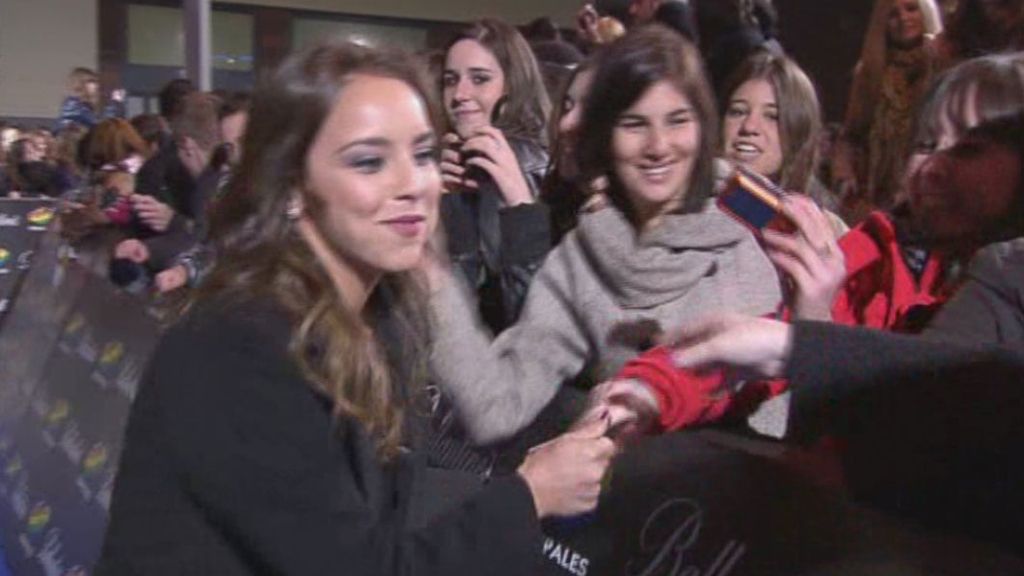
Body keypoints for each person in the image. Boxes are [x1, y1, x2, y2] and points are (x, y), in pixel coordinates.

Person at [96, 40, 615, 575]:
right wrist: (529, 497)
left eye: (423, 154)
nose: (413, 184)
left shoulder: (380, 313)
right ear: (293, 186)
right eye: (370, 161)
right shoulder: (240, 345)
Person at [428, 25, 783, 446]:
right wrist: (428, 276)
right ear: (605, 135)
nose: (658, 146)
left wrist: (816, 306)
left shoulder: (753, 210)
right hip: (664, 497)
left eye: (677, 120)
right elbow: (497, 405)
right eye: (634, 124)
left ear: (703, 126)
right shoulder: (582, 262)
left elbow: (820, 369)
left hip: (784, 485)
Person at [438, 19, 554, 334]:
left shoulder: (540, 169)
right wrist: (450, 205)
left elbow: (537, 324)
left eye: (479, 79)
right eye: (451, 80)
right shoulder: (448, 166)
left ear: (513, 87)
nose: (460, 94)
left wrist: (520, 205)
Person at [833, 0, 943, 219]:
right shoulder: (870, 72)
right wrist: (844, 178)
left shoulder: (944, 69)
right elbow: (851, 135)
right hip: (875, 199)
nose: (903, 18)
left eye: (911, 9)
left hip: (928, 195)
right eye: (893, 14)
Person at [718, 50, 846, 231]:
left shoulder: (825, 228)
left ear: (799, 132)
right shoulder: (689, 208)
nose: (749, 127)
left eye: (772, 116)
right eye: (738, 112)